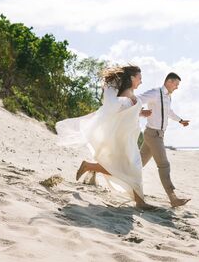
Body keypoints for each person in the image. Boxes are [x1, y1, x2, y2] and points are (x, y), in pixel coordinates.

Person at [55, 65, 155, 210]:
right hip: (120, 138)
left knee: (127, 167)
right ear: (132, 78)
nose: (141, 81)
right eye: (140, 78)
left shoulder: (129, 95)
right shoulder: (122, 96)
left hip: (129, 138)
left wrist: (141, 112)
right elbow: (113, 109)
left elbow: (127, 112)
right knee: (131, 167)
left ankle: (88, 166)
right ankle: (140, 202)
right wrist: (134, 108)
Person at [138, 72, 191, 207]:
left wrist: (180, 120)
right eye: (176, 84)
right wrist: (140, 112)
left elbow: (169, 112)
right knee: (164, 165)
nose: (177, 87)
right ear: (169, 82)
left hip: (158, 134)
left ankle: (94, 168)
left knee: (136, 165)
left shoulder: (168, 97)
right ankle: (173, 198)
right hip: (153, 134)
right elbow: (138, 99)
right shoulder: (156, 93)